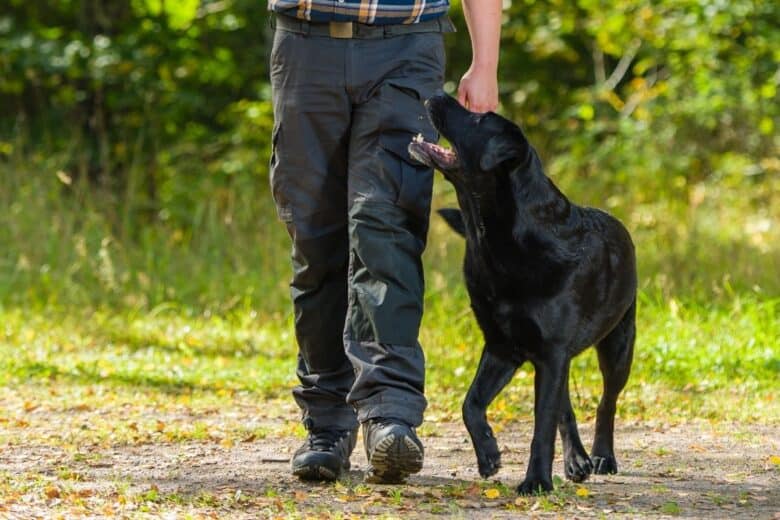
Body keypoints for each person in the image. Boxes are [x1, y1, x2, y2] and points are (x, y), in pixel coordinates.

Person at [267, 0, 500, 483]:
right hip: (306, 47)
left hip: (406, 48)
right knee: (316, 238)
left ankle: (390, 414)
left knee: (387, 226)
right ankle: (327, 423)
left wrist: (485, 63)